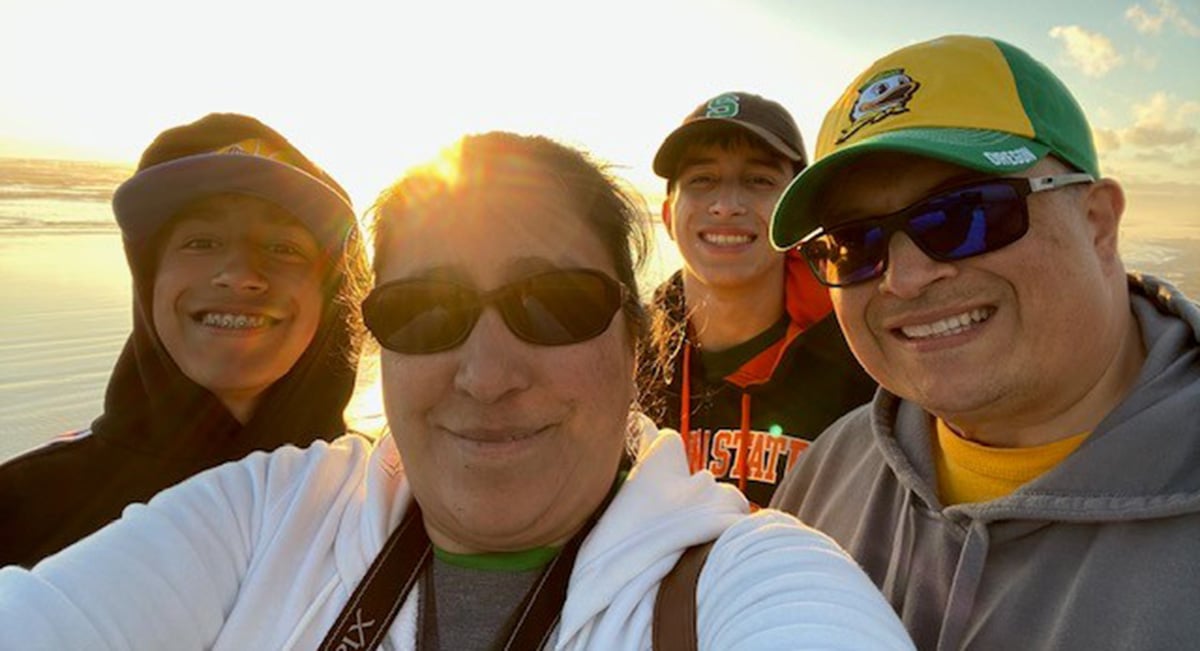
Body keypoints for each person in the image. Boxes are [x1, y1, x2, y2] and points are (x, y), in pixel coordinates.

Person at [0, 131, 915, 650]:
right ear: (375, 339)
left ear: (637, 338)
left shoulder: (746, 576)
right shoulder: (268, 511)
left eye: (554, 304)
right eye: (426, 311)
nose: (485, 374)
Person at [768, 34, 1200, 650]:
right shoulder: (830, 474)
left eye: (966, 214)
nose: (906, 278)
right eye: (853, 243)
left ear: (1098, 224)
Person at [0, 113, 369, 567]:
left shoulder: (388, 504)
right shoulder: (21, 509)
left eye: (283, 247)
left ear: (332, 299)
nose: (239, 275)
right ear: (149, 277)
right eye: (201, 242)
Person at [638, 91, 876, 506]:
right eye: (703, 180)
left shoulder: (866, 356)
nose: (727, 206)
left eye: (759, 181)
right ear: (668, 217)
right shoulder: (628, 355)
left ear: (798, 217)